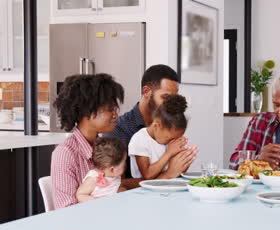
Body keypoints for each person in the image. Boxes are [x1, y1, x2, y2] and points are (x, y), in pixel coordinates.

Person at [106, 64, 197, 178]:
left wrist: (181, 164)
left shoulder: (170, 123)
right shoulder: (119, 129)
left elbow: (173, 169)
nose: (170, 105)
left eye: (174, 98)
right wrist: (169, 174)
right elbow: (114, 184)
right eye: (166, 97)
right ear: (146, 92)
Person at [51, 74, 124, 209]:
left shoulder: (104, 145)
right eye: (110, 110)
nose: (115, 115)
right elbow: (66, 211)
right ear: (88, 112)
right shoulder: (65, 154)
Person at [128, 94, 197, 179]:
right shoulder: (140, 139)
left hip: (167, 184)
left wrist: (184, 162)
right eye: (170, 138)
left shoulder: (168, 140)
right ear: (156, 126)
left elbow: (175, 171)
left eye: (177, 138)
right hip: (144, 188)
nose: (173, 142)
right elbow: (147, 175)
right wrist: (169, 153)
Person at [76, 137, 127, 203]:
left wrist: (120, 191)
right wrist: (95, 201)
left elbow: (112, 189)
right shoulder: (93, 179)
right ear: (112, 169)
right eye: (124, 163)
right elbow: (80, 195)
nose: (125, 165)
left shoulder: (115, 176)